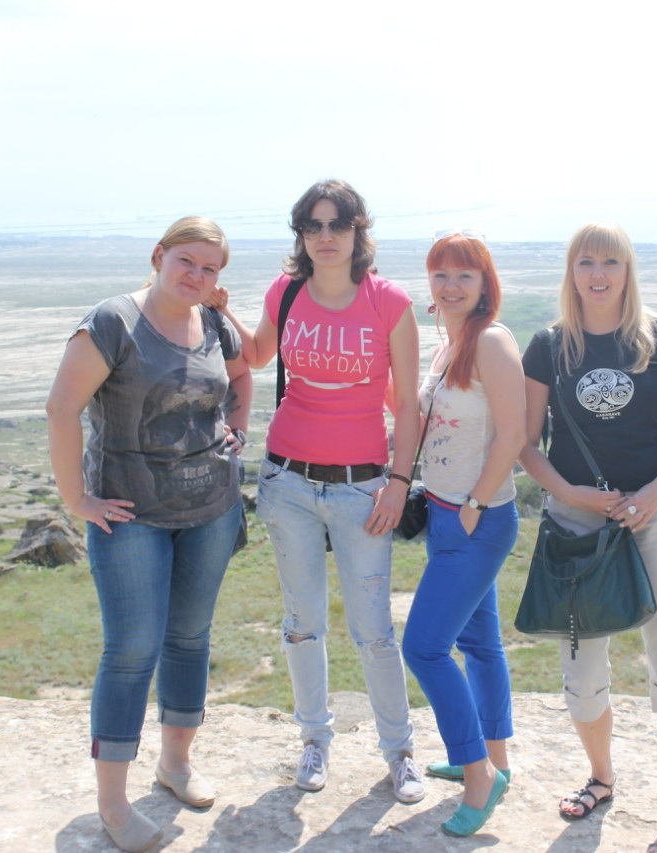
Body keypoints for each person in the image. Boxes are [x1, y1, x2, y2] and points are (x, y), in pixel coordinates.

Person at [213, 179, 424, 804]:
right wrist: (222, 311)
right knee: (302, 624)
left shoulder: (390, 303)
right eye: (313, 225)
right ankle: (314, 740)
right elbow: (257, 355)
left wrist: (398, 483)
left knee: (373, 630)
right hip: (288, 482)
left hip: (364, 489)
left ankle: (400, 753)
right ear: (301, 234)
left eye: (338, 224)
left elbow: (407, 407)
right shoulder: (286, 291)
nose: (325, 236)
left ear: (359, 231)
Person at [45, 216, 251, 852]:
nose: (196, 275)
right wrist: (76, 498)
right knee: (132, 649)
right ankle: (113, 803)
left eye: (210, 268)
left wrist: (238, 426)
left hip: (211, 508)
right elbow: (61, 408)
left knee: (189, 638)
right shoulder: (112, 322)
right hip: (130, 514)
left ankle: (175, 765)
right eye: (187, 261)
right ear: (159, 256)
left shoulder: (212, 321)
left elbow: (243, 376)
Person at [518, 223, 657, 853]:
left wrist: (654, 493)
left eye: (610, 262)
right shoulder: (549, 346)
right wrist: (573, 496)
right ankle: (601, 778)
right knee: (581, 664)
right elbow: (527, 445)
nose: (598, 274)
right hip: (577, 523)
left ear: (628, 270)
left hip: (656, 516)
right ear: (571, 272)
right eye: (586, 262)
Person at [401, 231, 525, 837]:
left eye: (464, 276)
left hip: (478, 518)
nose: (450, 286)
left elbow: (514, 433)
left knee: (424, 647)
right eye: (440, 275)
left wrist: (475, 503)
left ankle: (479, 776)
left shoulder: (492, 341)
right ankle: (493, 758)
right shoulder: (447, 346)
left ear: (484, 285)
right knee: (479, 644)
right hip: (447, 514)